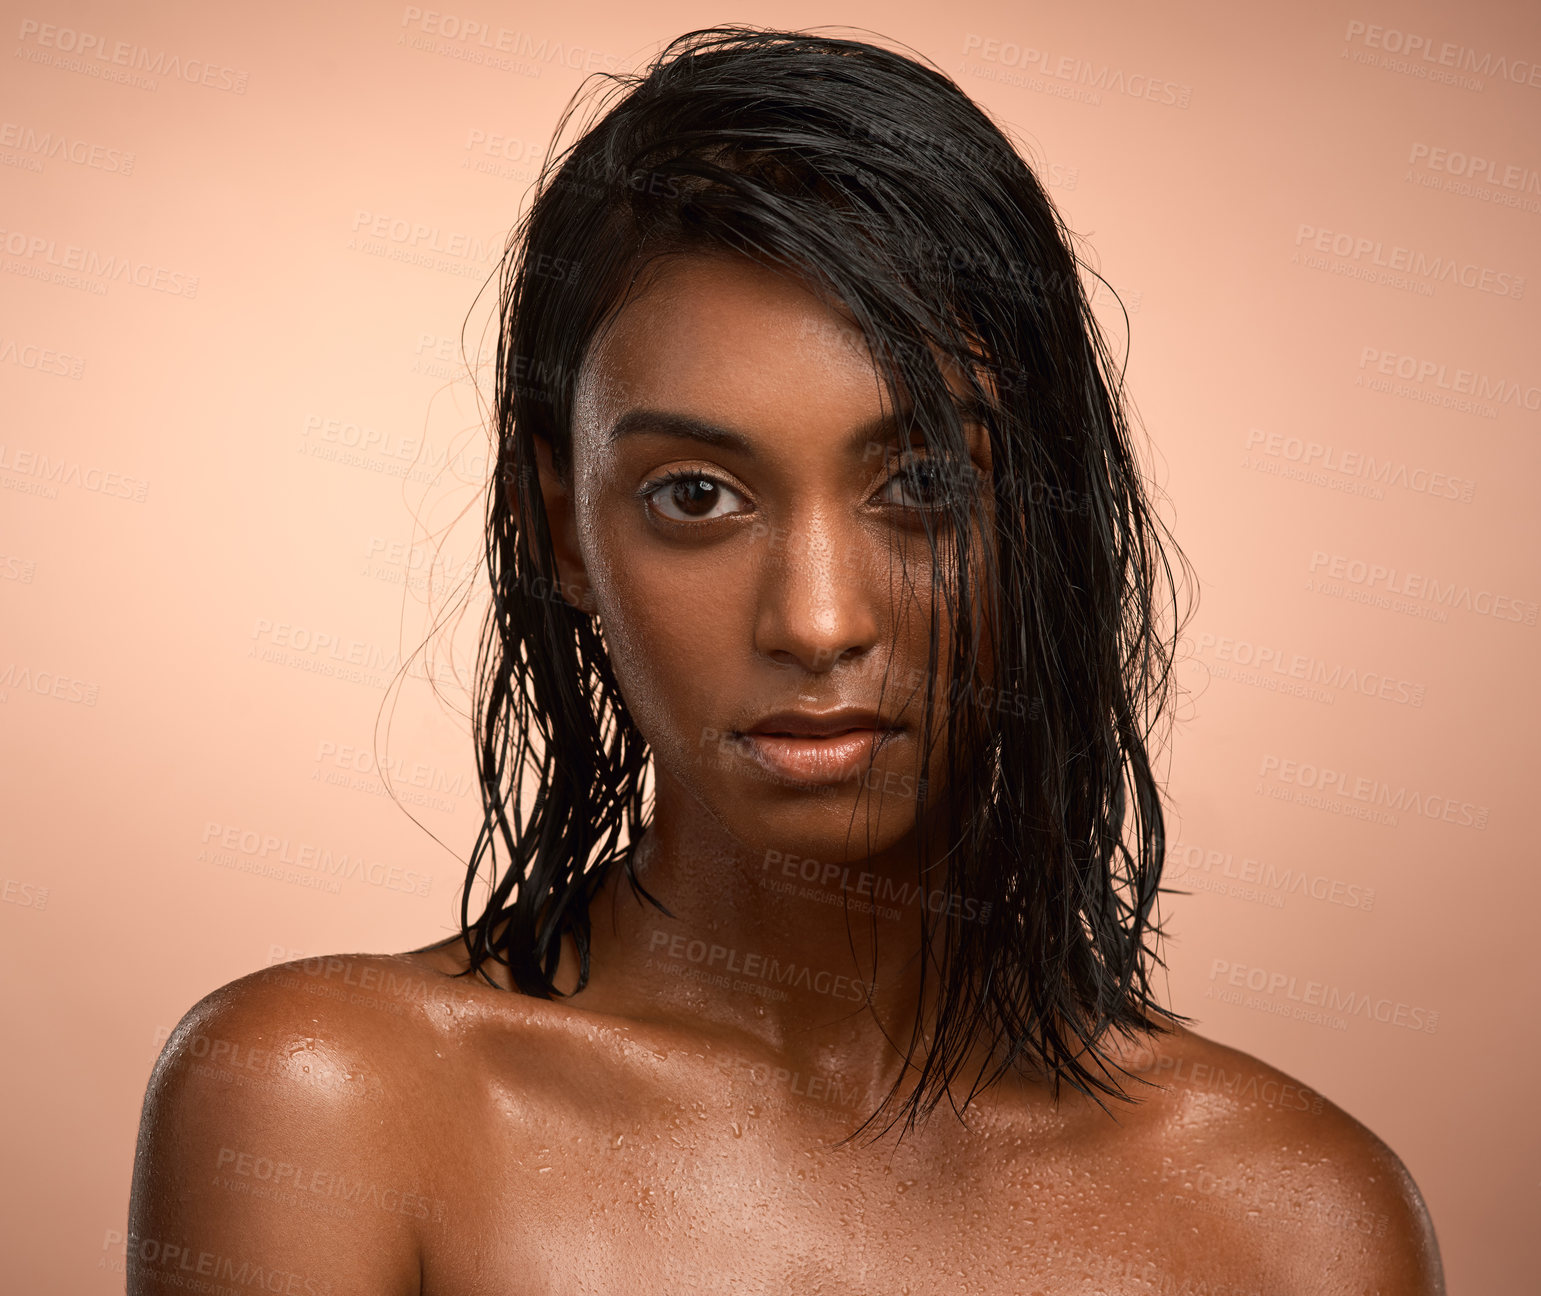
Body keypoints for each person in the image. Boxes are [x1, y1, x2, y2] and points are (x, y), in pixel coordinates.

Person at [128, 27, 1444, 1294]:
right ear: (557, 531)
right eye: (695, 495)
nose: (816, 623)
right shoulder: (327, 1109)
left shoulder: (1292, 1225)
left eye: (921, 481)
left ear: (1043, 519)